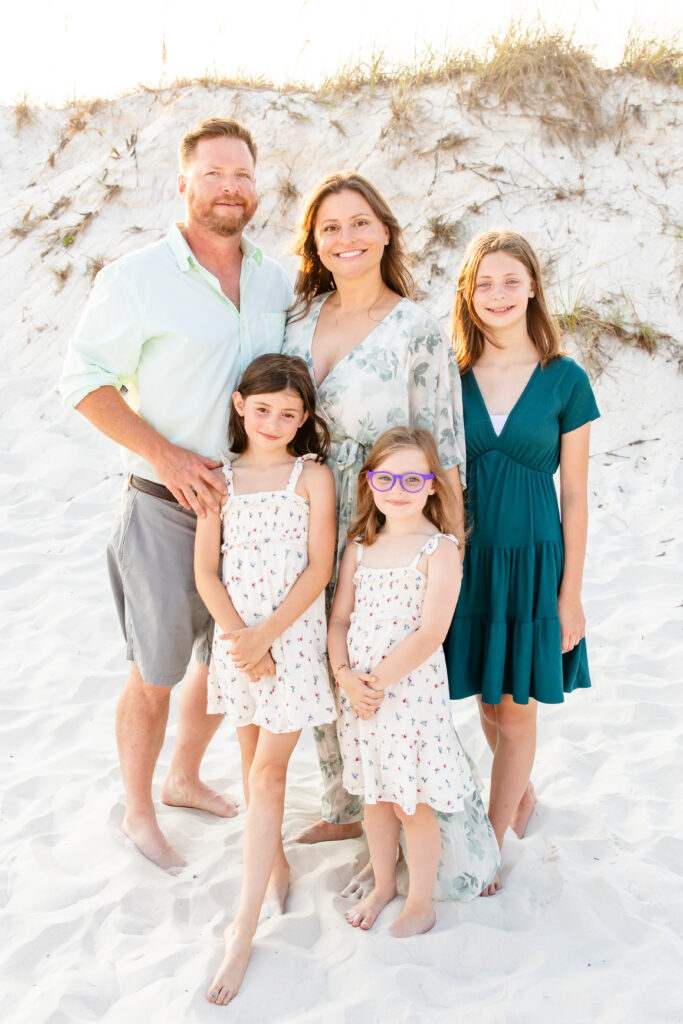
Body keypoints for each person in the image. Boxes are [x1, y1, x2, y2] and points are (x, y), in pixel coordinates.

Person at [59, 118, 293, 872]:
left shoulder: (272, 277)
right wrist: (165, 454)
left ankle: (185, 778)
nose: (231, 188)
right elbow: (84, 380)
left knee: (227, 663)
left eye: (243, 175)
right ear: (184, 183)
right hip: (165, 508)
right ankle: (137, 808)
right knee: (156, 671)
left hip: (254, 513)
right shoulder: (137, 277)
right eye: (215, 173)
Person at [283, 172, 466, 856]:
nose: (346, 237)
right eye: (329, 227)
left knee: (381, 660)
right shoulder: (298, 319)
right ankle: (347, 804)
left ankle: (408, 817)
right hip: (301, 510)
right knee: (320, 653)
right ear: (315, 243)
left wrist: (450, 540)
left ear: (384, 230)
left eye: (359, 222)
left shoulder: (415, 328)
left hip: (379, 518)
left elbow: (443, 441)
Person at [443, 230, 600, 895]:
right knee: (486, 695)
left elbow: (576, 496)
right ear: (467, 295)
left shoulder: (564, 379)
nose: (497, 294)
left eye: (510, 281)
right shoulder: (451, 377)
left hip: (535, 563)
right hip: (470, 562)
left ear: (533, 286)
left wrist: (571, 596)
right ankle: (522, 795)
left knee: (515, 711)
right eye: (483, 283)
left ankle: (494, 836)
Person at [194, 353, 336, 1006]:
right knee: (249, 756)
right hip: (236, 642)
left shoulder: (312, 477)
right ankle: (271, 857)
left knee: (269, 771)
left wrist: (266, 636)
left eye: (289, 413)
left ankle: (242, 926)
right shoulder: (219, 479)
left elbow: (317, 569)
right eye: (262, 410)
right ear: (238, 406)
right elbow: (205, 573)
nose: (274, 422)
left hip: (290, 642)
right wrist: (238, 638)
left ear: (305, 418)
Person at [328, 427, 499, 935]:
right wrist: (346, 678)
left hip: (408, 699)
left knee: (412, 801)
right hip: (359, 697)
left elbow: (430, 633)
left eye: (411, 478)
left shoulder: (440, 549)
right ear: (369, 483)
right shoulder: (360, 546)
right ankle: (384, 884)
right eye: (386, 478)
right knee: (376, 799)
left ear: (431, 485)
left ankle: (420, 900)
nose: (397, 489)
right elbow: (339, 619)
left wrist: (375, 682)